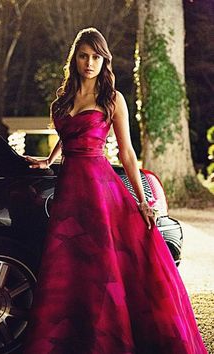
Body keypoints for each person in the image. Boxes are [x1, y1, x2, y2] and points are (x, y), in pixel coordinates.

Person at [23, 27, 207, 354]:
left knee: (102, 263)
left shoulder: (112, 99)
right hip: (70, 191)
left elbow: (127, 153)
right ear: (75, 59)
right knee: (69, 266)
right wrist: (47, 160)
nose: (89, 62)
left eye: (96, 56)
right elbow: (67, 139)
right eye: (83, 56)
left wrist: (142, 199)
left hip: (99, 187)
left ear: (103, 59)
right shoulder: (61, 101)